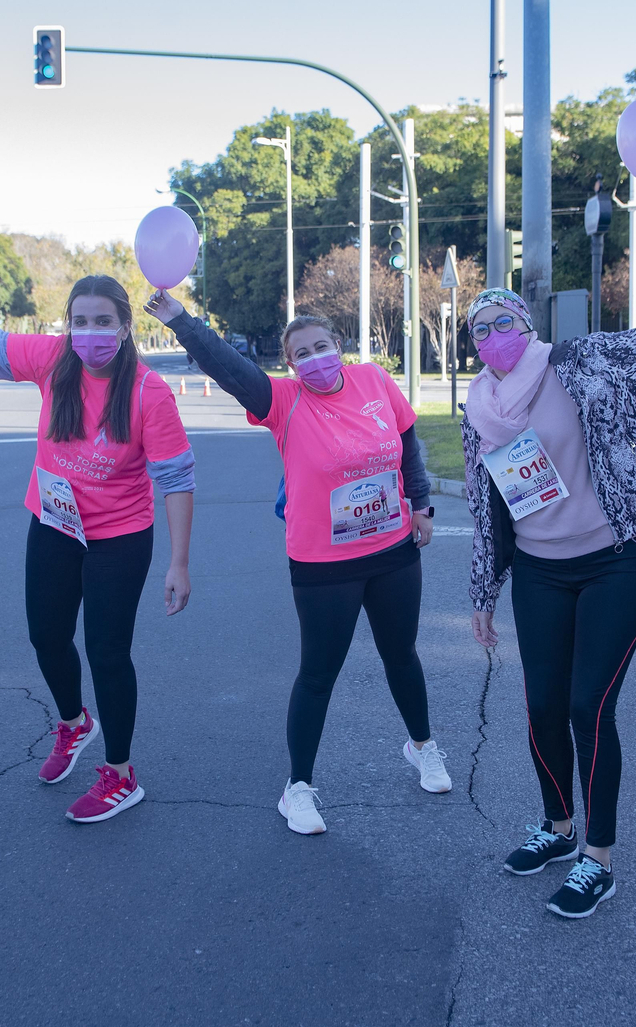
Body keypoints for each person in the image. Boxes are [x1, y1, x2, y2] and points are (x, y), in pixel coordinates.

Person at [464, 198, 636, 919]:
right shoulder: (480, 405)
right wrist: (483, 592)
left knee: (588, 705)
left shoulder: (585, 358)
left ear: (528, 324)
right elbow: (487, 510)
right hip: (540, 569)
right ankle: (557, 825)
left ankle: (598, 857)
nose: (493, 334)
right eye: (479, 328)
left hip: (613, 558)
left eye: (503, 320)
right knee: (541, 704)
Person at [0, 239, 194, 824]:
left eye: (103, 322)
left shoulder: (148, 392)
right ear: (67, 327)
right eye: (80, 322)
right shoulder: (53, 360)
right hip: (55, 525)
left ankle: (120, 774)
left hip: (119, 536)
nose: (90, 333)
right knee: (46, 637)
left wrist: (179, 563)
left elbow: (177, 478)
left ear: (126, 325)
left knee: (108, 652)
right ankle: (73, 722)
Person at [143, 292, 447, 836]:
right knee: (318, 674)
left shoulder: (375, 381)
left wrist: (420, 503)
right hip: (324, 563)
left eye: (322, 347)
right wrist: (179, 320)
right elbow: (226, 365)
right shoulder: (282, 401)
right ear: (290, 364)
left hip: (393, 550)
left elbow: (408, 442)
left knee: (401, 654)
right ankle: (298, 789)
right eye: (301, 353)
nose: (315, 359)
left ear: (340, 347)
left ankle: (422, 746)